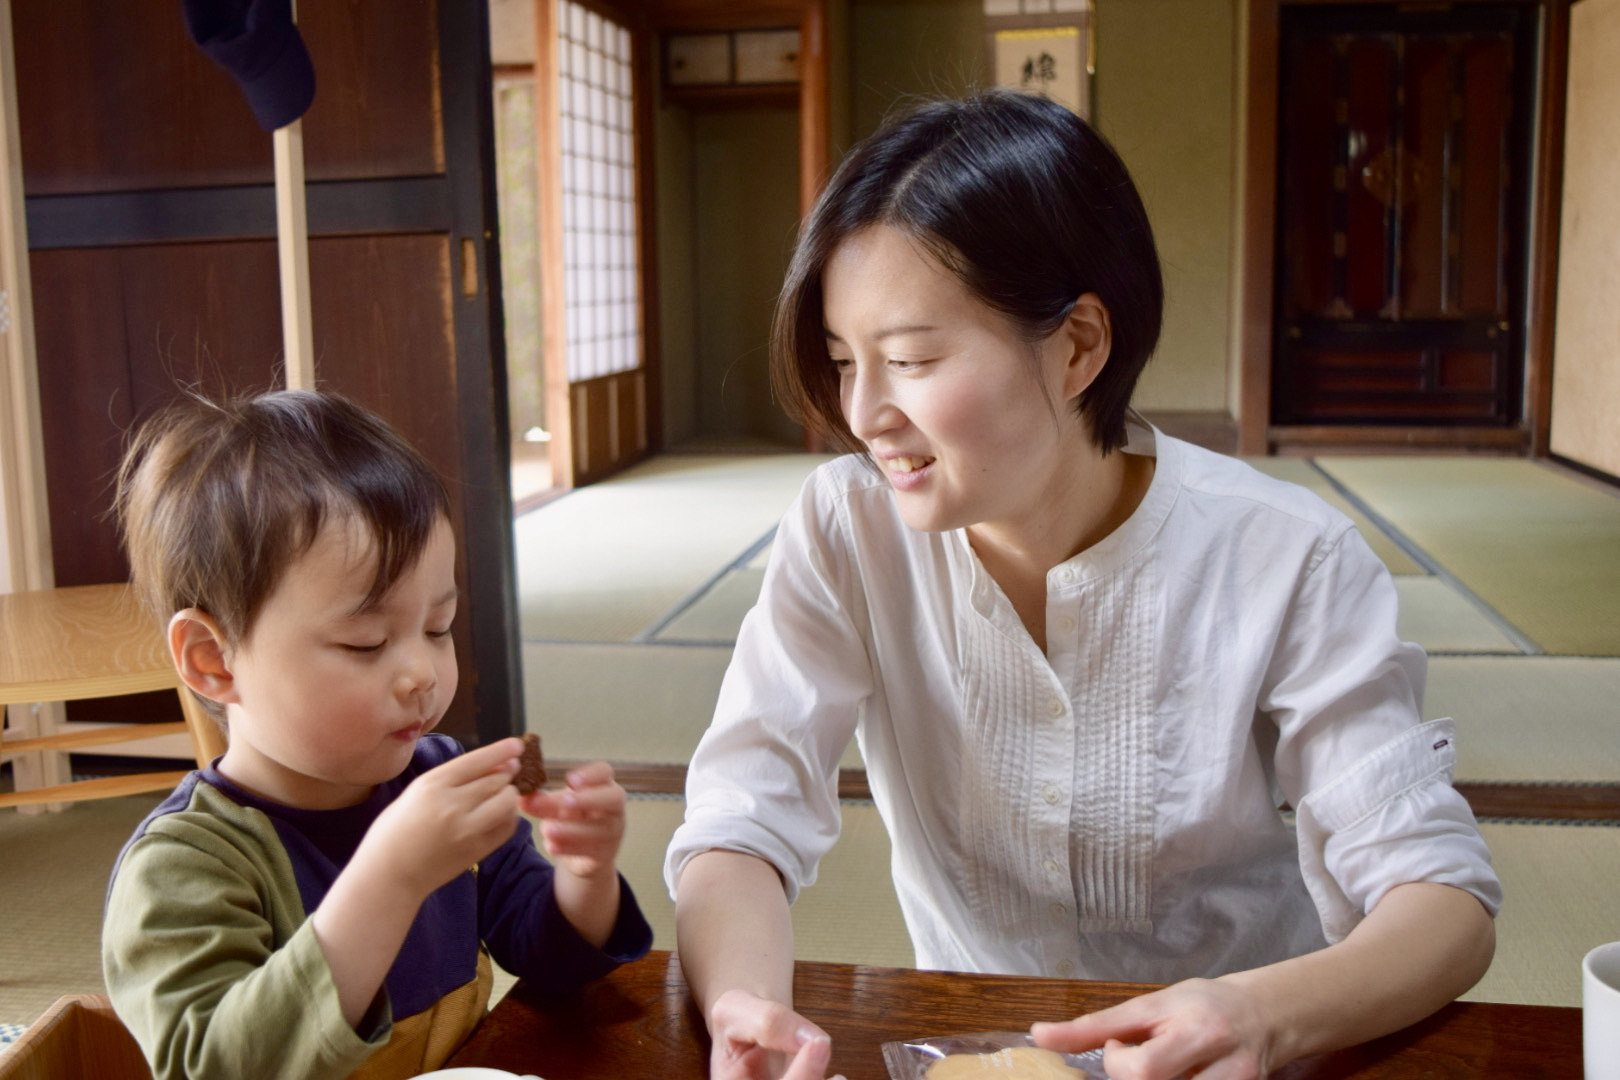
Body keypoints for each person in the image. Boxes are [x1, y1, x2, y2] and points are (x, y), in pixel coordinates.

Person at [664, 90, 1500, 1080]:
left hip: (1234, 1057)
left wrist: (1257, 1016)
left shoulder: (1284, 554)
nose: (864, 413)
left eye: (912, 359)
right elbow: (739, 822)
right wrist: (746, 1009)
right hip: (973, 1056)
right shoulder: (844, 527)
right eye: (846, 363)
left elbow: (1440, 898)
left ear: (1078, 346)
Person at [104, 389, 652, 1080]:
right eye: (366, 642)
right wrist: (391, 875)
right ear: (214, 661)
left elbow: (550, 958)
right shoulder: (186, 867)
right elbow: (214, 1068)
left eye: (438, 629)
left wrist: (584, 877)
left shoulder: (434, 782)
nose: (422, 672)